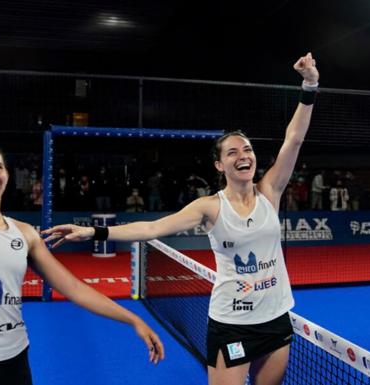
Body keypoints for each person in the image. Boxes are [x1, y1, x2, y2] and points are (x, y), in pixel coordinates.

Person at [0, 7, 163, 385]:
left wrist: (132, 318)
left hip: (16, 362)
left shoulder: (25, 234)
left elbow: (74, 288)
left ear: (8, 174)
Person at [44, 53, 320, 385]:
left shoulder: (270, 191)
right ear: (219, 165)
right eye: (232, 152)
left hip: (276, 317)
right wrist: (92, 231)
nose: (243, 155)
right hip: (232, 323)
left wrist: (310, 85)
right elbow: (152, 228)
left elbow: (294, 139)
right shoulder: (209, 207)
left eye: (246, 149)